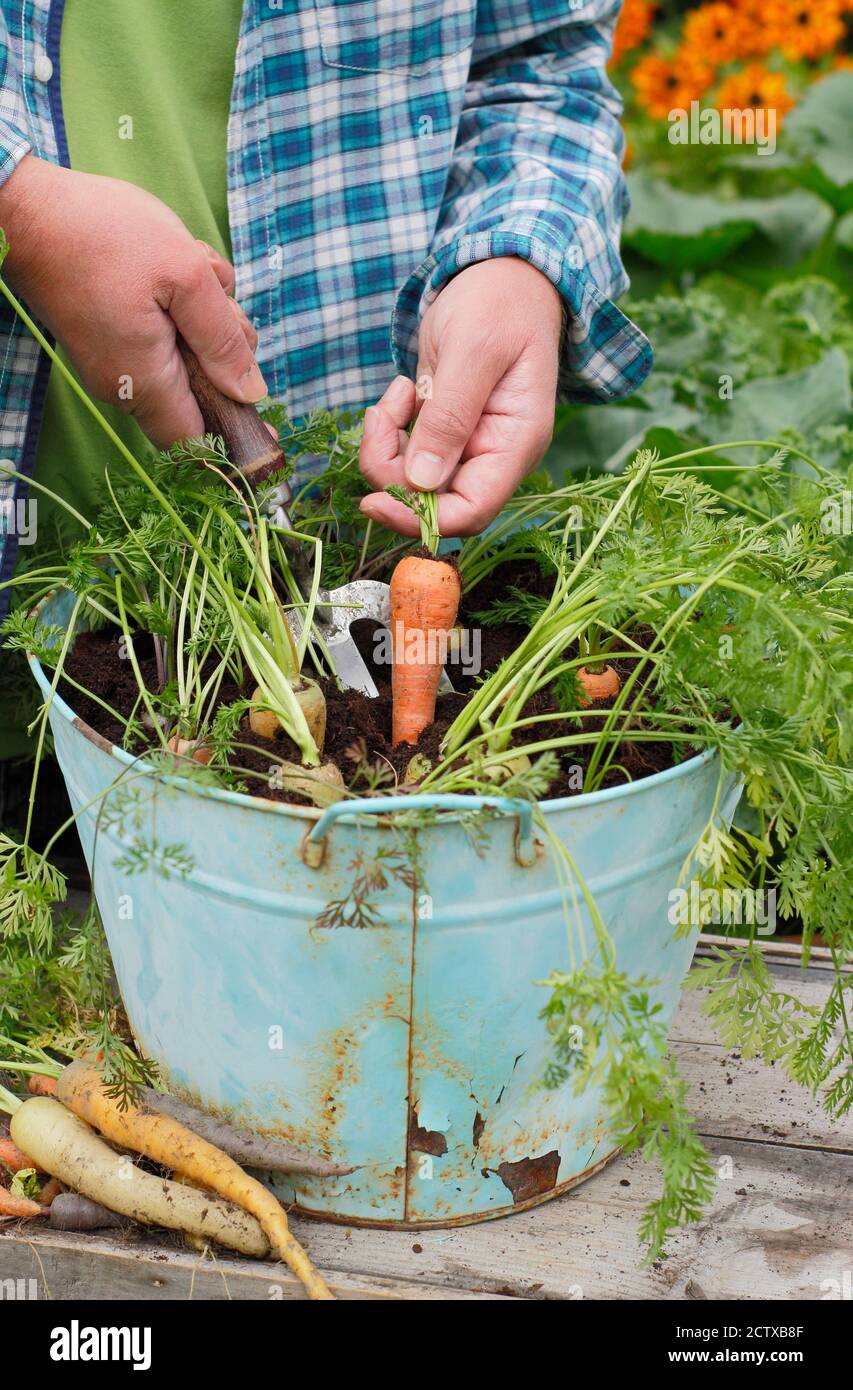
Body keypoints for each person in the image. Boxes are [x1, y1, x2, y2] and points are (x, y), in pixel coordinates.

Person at [0, 0, 650, 651]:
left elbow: (538, 66)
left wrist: (513, 255)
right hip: (48, 540)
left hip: (352, 520)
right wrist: (22, 212)